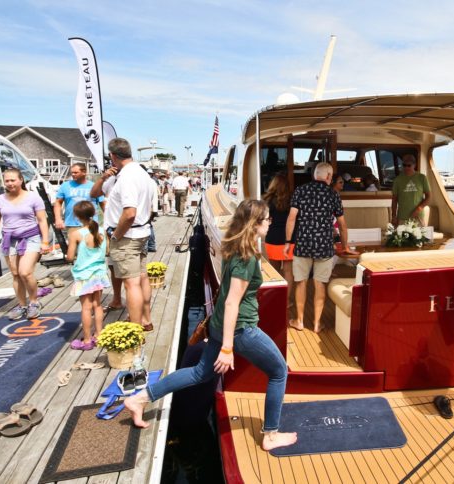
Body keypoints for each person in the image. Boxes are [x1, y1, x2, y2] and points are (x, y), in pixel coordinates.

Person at [124, 200, 298, 451]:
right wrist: (227, 348)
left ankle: (140, 398)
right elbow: (232, 303)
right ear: (255, 223)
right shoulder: (247, 258)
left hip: (218, 324)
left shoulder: (234, 246)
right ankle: (270, 435)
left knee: (199, 373)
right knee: (279, 371)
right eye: (267, 219)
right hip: (241, 330)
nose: (271, 223)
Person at [90, 138, 155, 331]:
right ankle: (146, 320)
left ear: (112, 156)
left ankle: (135, 328)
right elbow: (94, 193)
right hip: (141, 232)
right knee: (142, 277)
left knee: (131, 284)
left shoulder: (127, 177)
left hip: (127, 236)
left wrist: (116, 235)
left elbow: (129, 213)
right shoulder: (141, 174)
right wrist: (103, 178)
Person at [284, 162, 357, 333]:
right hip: (324, 246)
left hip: (303, 245)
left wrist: (287, 242)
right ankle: (317, 324)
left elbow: (291, 218)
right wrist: (345, 246)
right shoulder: (333, 194)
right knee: (320, 284)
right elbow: (342, 225)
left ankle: (299, 321)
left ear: (314, 175)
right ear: (329, 176)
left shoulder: (300, 190)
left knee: (300, 282)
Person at [0, 168, 51, 320]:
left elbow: (42, 220)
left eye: (13, 180)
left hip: (31, 237)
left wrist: (45, 241)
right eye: (7, 181)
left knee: (25, 272)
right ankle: (22, 305)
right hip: (9, 239)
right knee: (15, 274)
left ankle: (34, 302)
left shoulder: (33, 198)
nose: (10, 183)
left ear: (21, 180)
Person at [66, 201, 111, 350]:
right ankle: (99, 335)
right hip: (99, 273)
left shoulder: (76, 234)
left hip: (84, 275)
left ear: (77, 216)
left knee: (86, 308)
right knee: (97, 305)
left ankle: (86, 340)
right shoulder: (102, 231)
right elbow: (107, 251)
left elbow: (70, 257)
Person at [262, 173, 296, 323]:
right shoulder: (292, 200)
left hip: (272, 239)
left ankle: (276, 298)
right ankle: (286, 301)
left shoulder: (267, 200)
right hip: (289, 239)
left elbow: (265, 220)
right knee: (288, 272)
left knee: (274, 271)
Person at [392, 154, 430, 226]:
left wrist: (418, 209)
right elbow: (394, 200)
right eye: (404, 165)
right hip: (402, 217)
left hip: (418, 217)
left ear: (414, 165)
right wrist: (393, 216)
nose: (406, 167)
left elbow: (428, 197)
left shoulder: (422, 178)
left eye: (409, 165)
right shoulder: (397, 180)